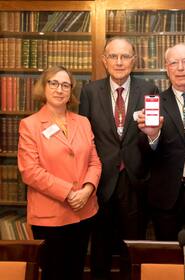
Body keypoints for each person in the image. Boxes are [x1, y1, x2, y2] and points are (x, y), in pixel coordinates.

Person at [79, 37, 159, 280]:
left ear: (134, 61)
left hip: (136, 181)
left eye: (125, 56)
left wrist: (153, 136)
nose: (119, 61)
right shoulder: (90, 91)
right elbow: (85, 138)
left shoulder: (149, 89)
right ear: (104, 61)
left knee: (132, 249)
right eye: (113, 56)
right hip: (101, 181)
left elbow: (152, 137)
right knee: (100, 249)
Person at [17, 66, 101, 280]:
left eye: (65, 85)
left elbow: (94, 162)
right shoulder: (30, 125)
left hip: (84, 211)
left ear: (71, 91)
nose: (59, 89)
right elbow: (30, 171)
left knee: (76, 271)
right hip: (50, 216)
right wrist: (69, 192)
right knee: (54, 274)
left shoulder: (82, 122)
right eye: (53, 83)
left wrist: (87, 190)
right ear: (43, 87)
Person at [137, 43, 185, 241]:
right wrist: (152, 136)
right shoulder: (154, 103)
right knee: (167, 260)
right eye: (174, 62)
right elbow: (144, 153)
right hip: (165, 197)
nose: (180, 68)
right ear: (167, 68)